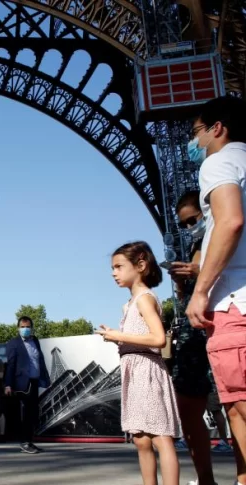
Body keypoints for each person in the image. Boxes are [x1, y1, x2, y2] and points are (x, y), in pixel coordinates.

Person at [185, 95, 246, 485]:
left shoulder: (219, 162)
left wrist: (200, 289)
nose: (195, 143)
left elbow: (230, 221)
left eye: (196, 133)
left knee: (240, 406)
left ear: (217, 128)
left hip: (235, 302)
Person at [97, 241, 181, 485]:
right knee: (142, 439)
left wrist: (119, 336)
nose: (114, 272)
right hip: (134, 373)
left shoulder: (144, 298)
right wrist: (116, 339)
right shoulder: (130, 303)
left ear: (141, 265)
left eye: (119, 266)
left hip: (147, 372)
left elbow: (158, 338)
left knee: (159, 436)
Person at [168, 191, 221, 485]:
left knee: (238, 405)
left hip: (220, 318)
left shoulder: (226, 235)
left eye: (193, 220)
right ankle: (206, 479)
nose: (189, 227)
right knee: (188, 409)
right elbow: (185, 296)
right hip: (193, 330)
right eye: (184, 223)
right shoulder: (198, 244)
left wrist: (199, 270)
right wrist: (181, 283)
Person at [4, 316, 51, 454]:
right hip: (22, 383)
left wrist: (45, 378)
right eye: (23, 326)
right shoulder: (13, 343)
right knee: (25, 413)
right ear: (18, 328)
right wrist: (8, 384)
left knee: (32, 413)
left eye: (28, 326)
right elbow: (10, 365)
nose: (26, 329)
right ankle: (24, 442)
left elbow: (40, 360)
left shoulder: (35, 341)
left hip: (34, 381)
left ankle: (30, 441)